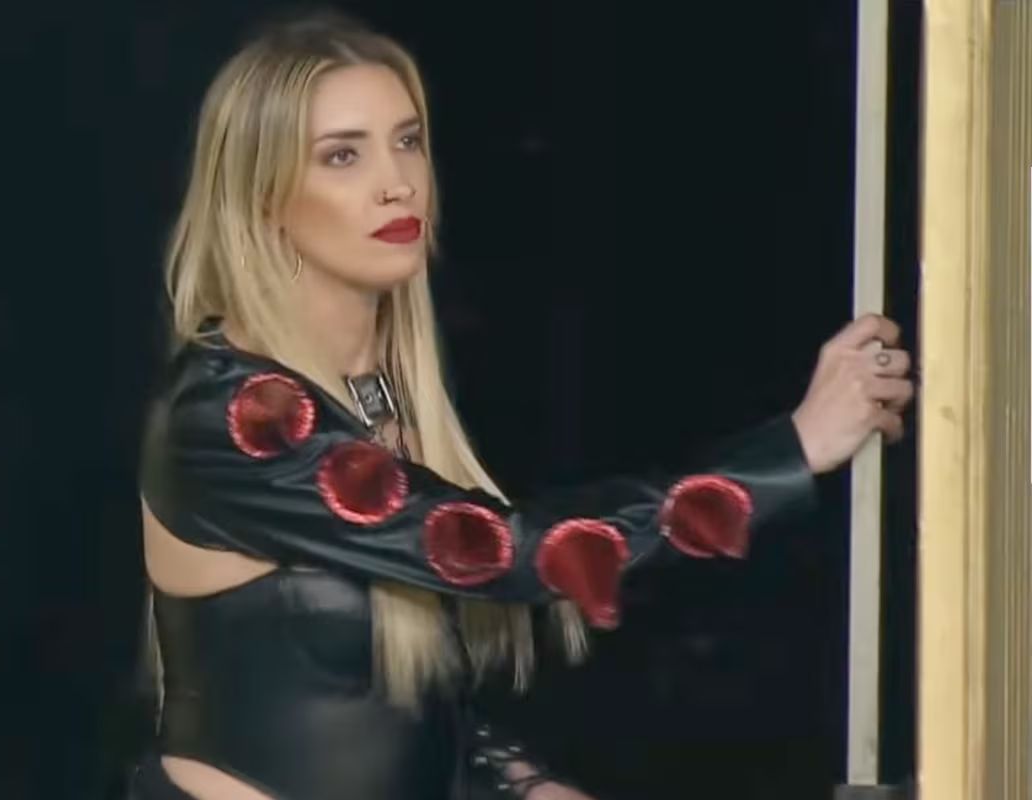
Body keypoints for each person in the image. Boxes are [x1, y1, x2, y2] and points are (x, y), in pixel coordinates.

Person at [129, 10, 914, 800]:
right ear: (264, 197)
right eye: (342, 155)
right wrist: (790, 451)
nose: (396, 181)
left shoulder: (376, 397)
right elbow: (508, 550)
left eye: (408, 141)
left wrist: (525, 785)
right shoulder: (238, 416)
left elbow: (402, 700)